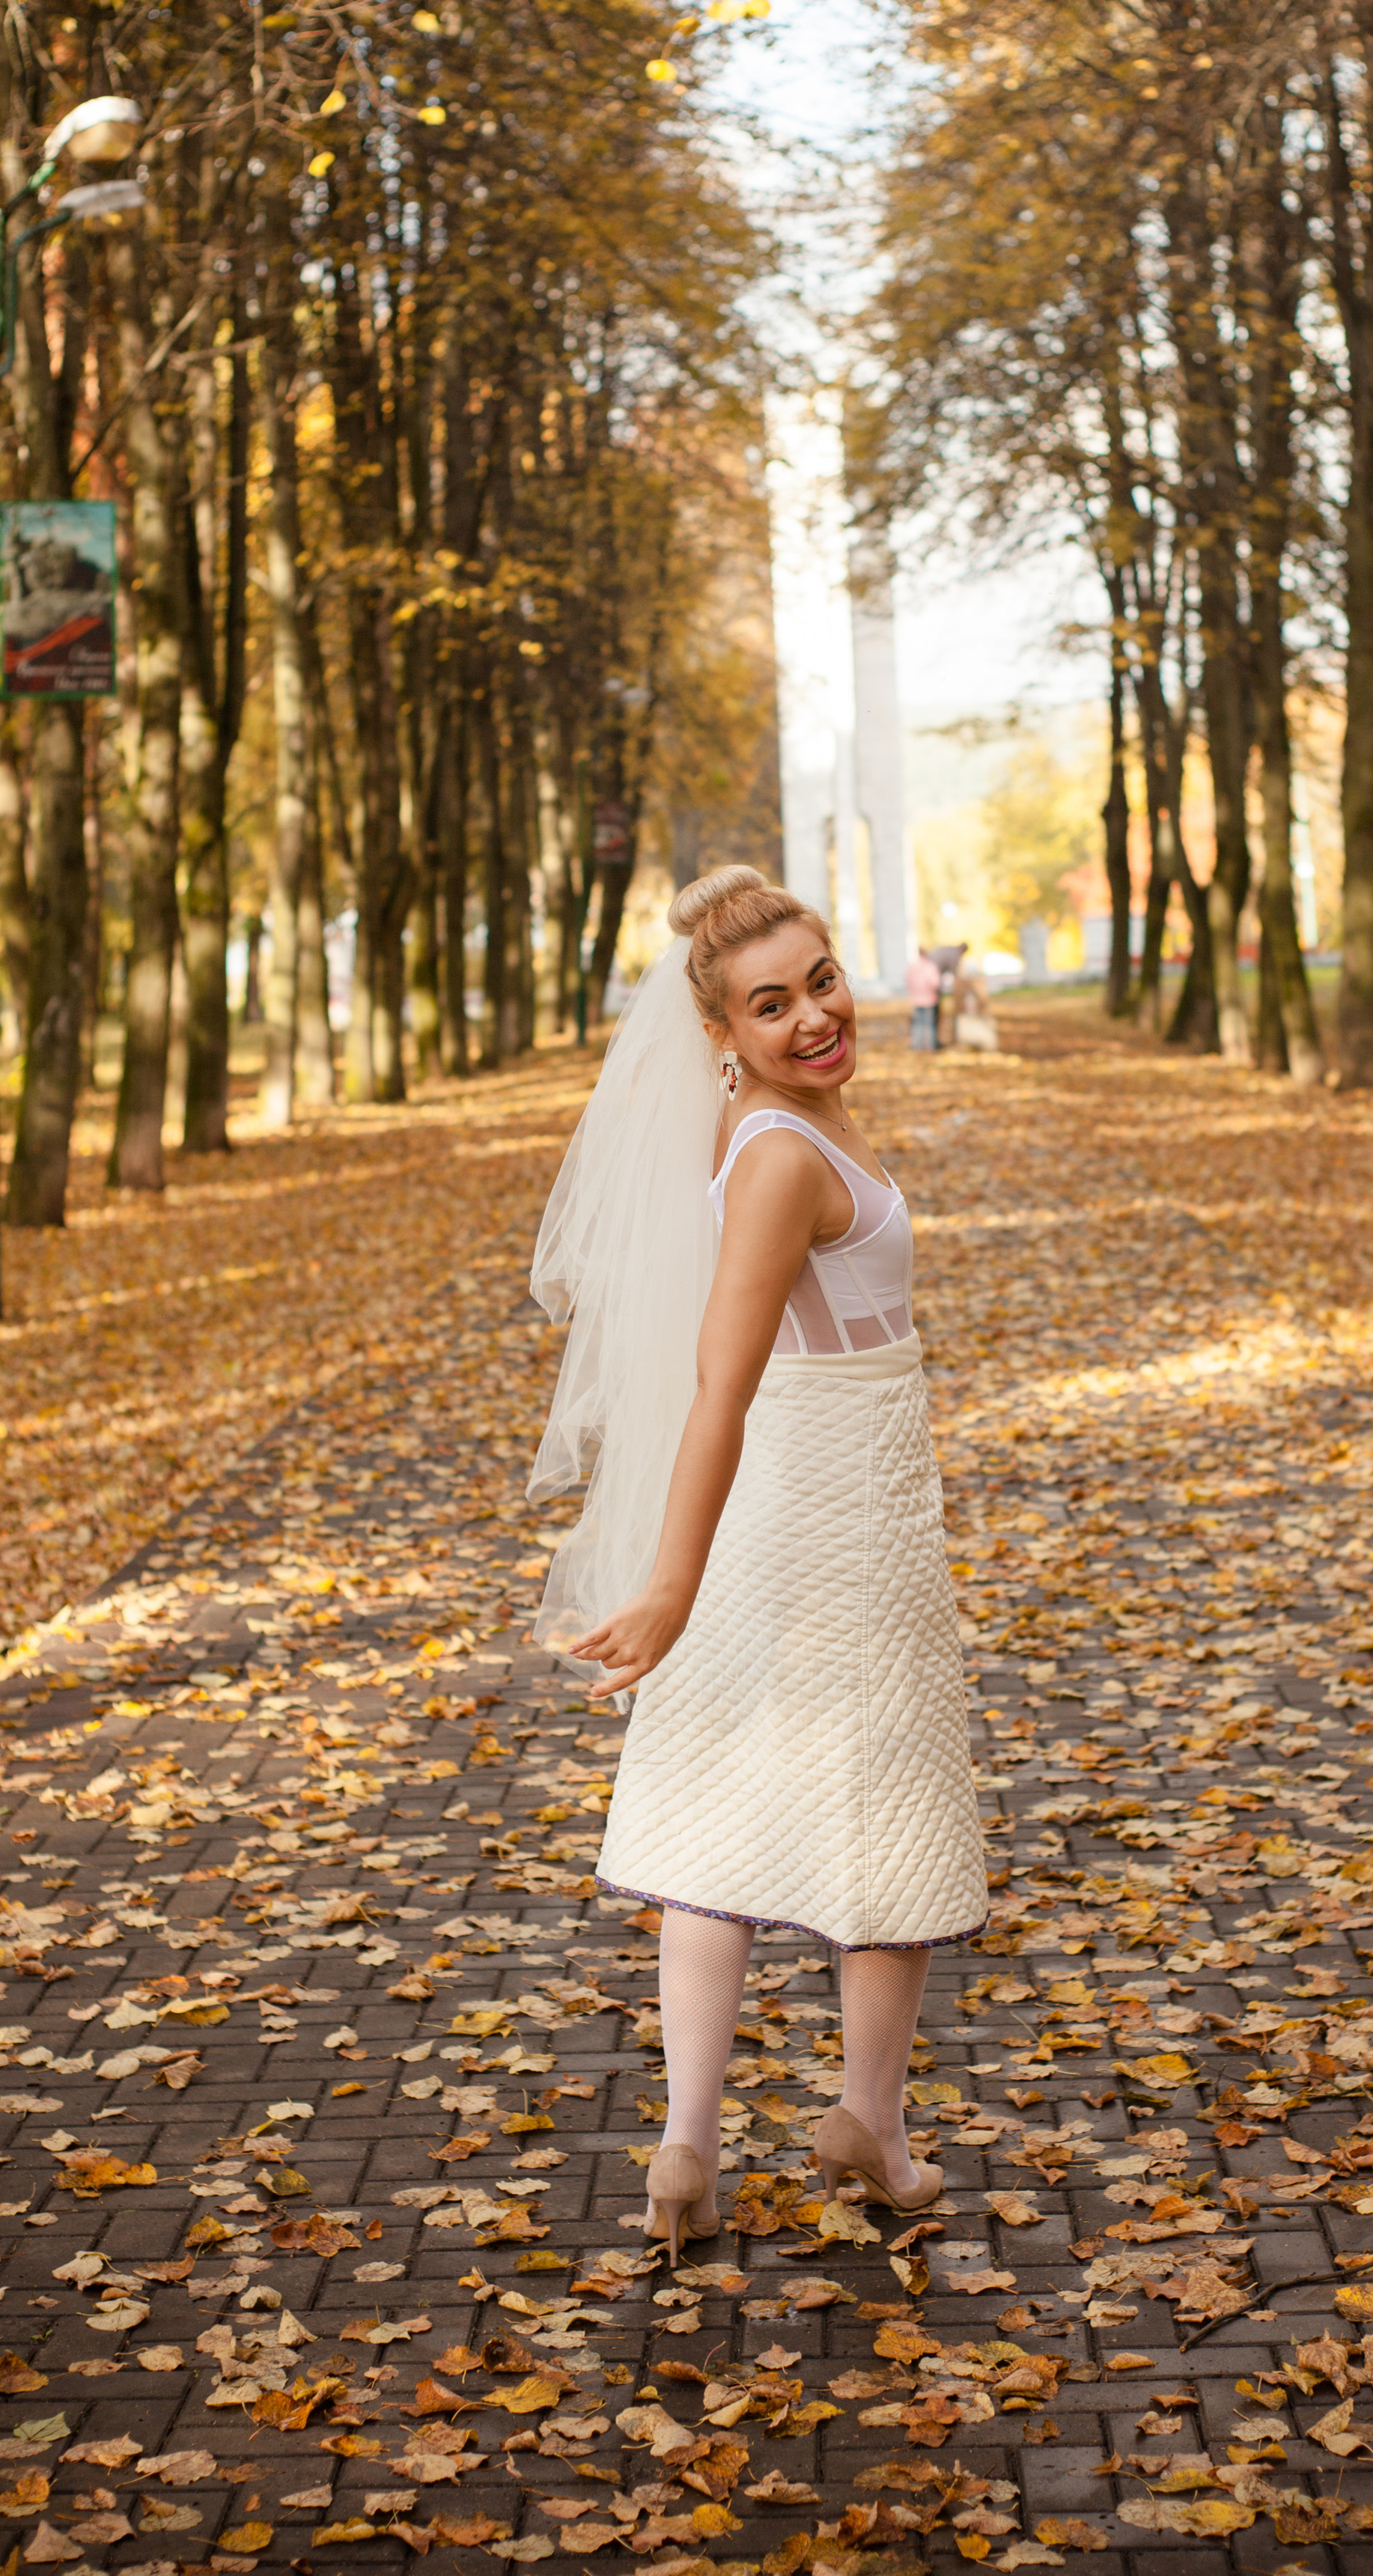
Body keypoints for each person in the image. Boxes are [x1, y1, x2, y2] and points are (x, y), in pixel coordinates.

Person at [527, 865, 986, 2261]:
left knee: (715, 1816)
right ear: (723, 1032)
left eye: (823, 981)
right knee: (889, 1800)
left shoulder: (775, 1123)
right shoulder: (783, 1151)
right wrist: (670, 1580)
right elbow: (721, 1384)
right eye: (770, 1005)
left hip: (807, 1486)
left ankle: (688, 2150)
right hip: (826, 1502)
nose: (813, 1018)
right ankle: (871, 2126)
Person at [906, 945, 941, 1052]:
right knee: (929, 1024)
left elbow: (908, 980)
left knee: (917, 1024)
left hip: (916, 999)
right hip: (929, 999)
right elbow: (935, 982)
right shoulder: (930, 966)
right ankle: (930, 1046)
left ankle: (917, 1045)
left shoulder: (912, 966)